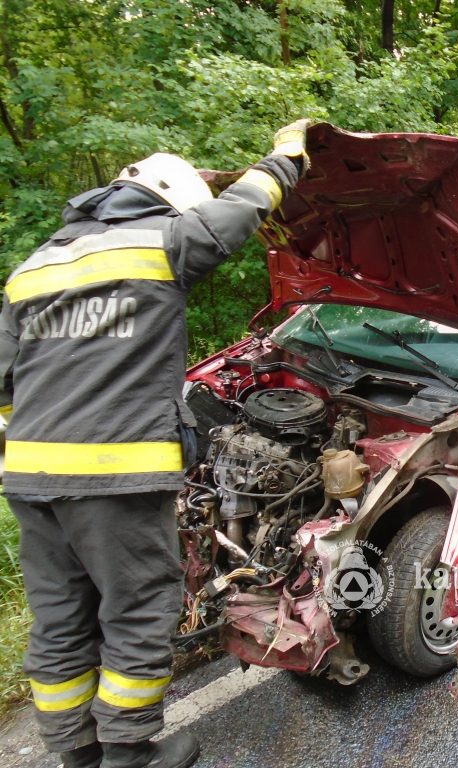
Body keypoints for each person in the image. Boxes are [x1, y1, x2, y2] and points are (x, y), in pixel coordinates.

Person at [0, 119, 312, 768]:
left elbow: (4, 384)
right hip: (115, 475)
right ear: (172, 201)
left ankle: (75, 753)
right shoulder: (163, 240)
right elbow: (242, 211)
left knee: (61, 618)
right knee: (140, 607)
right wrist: (286, 157)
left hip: (30, 478)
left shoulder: (33, 269)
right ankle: (130, 753)